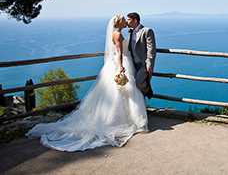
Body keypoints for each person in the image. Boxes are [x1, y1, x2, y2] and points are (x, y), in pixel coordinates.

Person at [26, 15, 148, 152]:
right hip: (122, 63)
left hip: (123, 62)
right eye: (123, 20)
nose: (126, 21)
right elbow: (119, 51)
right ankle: (121, 120)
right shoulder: (118, 34)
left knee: (121, 91)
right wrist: (121, 66)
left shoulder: (117, 33)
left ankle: (123, 119)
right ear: (119, 23)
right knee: (121, 91)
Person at [127, 12, 156, 99]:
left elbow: (151, 48)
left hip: (143, 63)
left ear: (135, 20)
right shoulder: (132, 32)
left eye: (128, 20)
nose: (127, 22)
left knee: (138, 83)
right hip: (133, 63)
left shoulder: (147, 31)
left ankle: (148, 91)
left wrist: (149, 63)